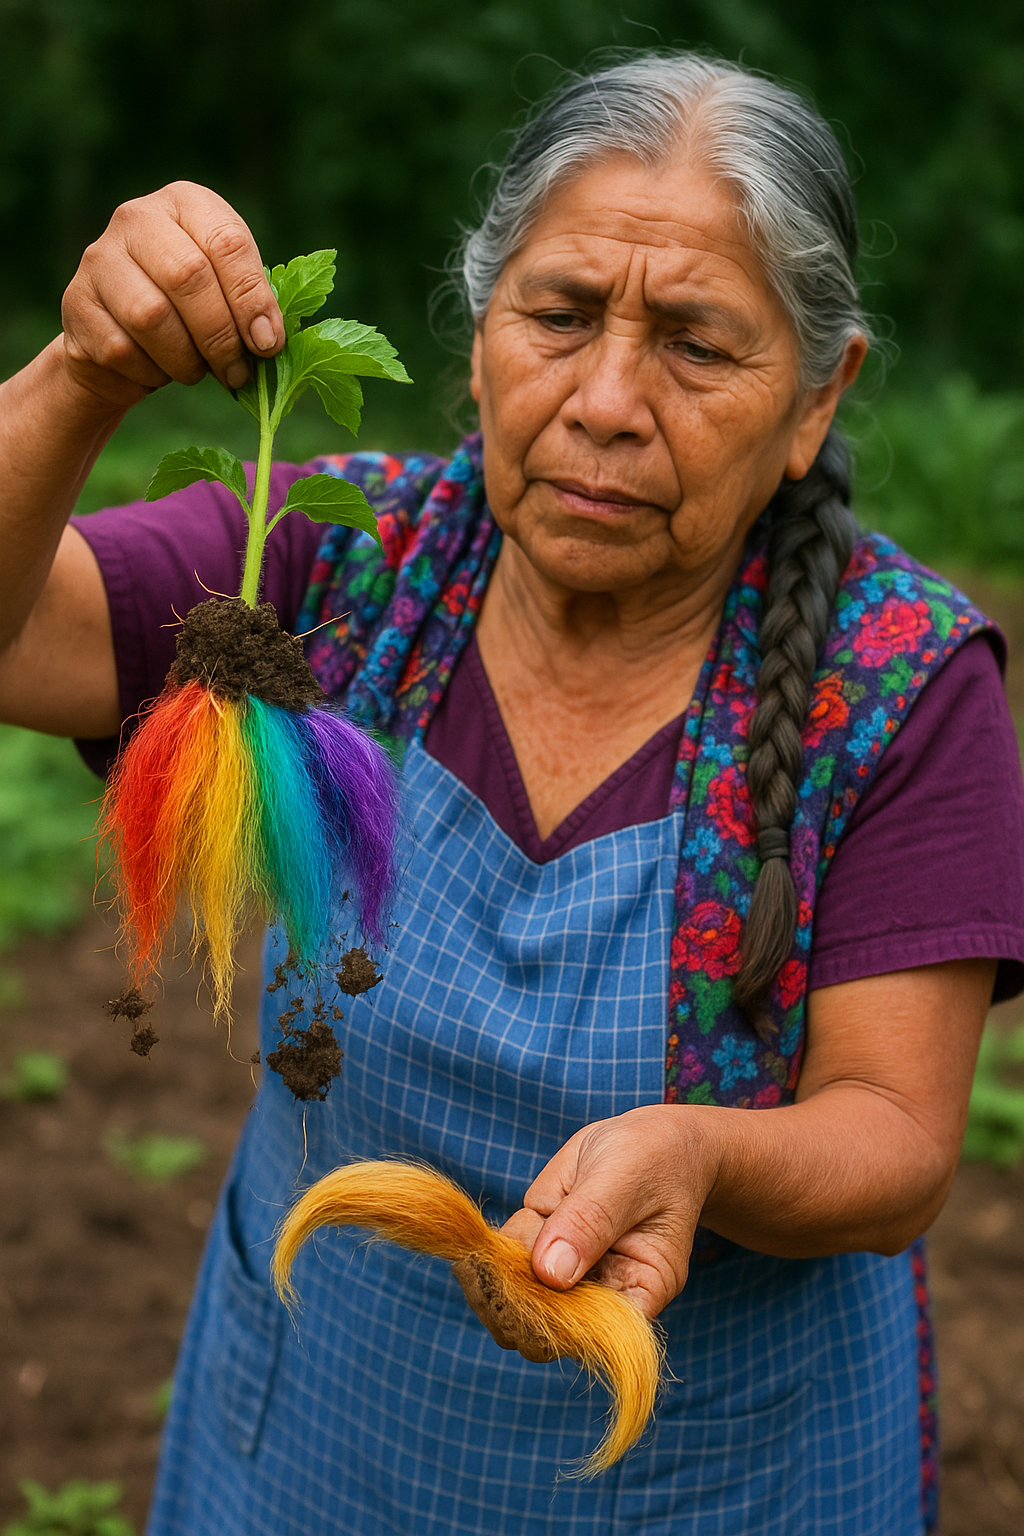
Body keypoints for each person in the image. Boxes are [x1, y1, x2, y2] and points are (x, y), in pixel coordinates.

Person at [1, 50, 1022, 1536]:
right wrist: (82, 370)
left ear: (817, 398)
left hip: (717, 1474)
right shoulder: (333, 565)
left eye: (694, 344)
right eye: (560, 316)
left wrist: (704, 1152)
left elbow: (895, 1138)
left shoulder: (900, 680)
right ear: (481, 335)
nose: (606, 400)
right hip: (320, 1432)